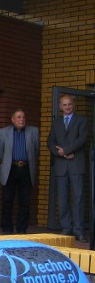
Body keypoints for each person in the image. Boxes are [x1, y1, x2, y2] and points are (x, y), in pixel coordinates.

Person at [47, 94, 88, 242]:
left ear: (73, 105)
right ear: (60, 107)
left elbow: (82, 139)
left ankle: (79, 230)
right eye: (64, 105)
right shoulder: (56, 122)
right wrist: (60, 153)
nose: (67, 107)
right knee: (63, 198)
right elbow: (50, 141)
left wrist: (67, 150)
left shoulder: (82, 120)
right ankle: (66, 228)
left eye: (69, 104)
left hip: (76, 164)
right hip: (61, 165)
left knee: (78, 199)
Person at [0, 109, 40, 234]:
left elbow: (36, 150)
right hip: (10, 168)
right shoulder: (4, 132)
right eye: (19, 117)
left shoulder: (33, 131)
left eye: (23, 117)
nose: (22, 119)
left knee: (25, 201)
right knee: (7, 200)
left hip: (26, 168)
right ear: (13, 120)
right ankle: (7, 229)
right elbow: (0, 151)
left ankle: (21, 229)